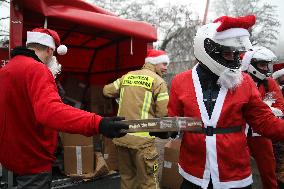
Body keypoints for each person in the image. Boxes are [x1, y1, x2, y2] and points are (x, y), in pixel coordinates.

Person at [0, 28, 128, 189]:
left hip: (11, 157)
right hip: (33, 161)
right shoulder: (37, 69)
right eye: (53, 54)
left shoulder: (6, 70)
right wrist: (99, 123)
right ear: (49, 50)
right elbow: (51, 111)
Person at [168, 14, 284, 189]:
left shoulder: (244, 82)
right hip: (194, 173)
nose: (235, 60)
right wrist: (164, 130)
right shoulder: (180, 81)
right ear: (207, 50)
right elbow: (174, 121)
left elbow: (265, 122)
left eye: (237, 54)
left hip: (234, 174)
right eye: (228, 53)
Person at [103, 49, 170, 189]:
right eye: (164, 64)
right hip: (143, 143)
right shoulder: (159, 82)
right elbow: (163, 114)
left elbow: (106, 91)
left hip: (122, 139)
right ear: (155, 63)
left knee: (127, 180)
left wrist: (121, 95)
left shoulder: (127, 77)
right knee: (149, 182)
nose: (166, 67)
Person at [241, 46, 284, 189]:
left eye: (267, 64)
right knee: (239, 168)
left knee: (268, 169)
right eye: (262, 64)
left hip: (262, 133)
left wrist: (265, 110)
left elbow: (280, 106)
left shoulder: (269, 82)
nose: (265, 68)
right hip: (240, 133)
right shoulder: (238, 80)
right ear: (250, 64)